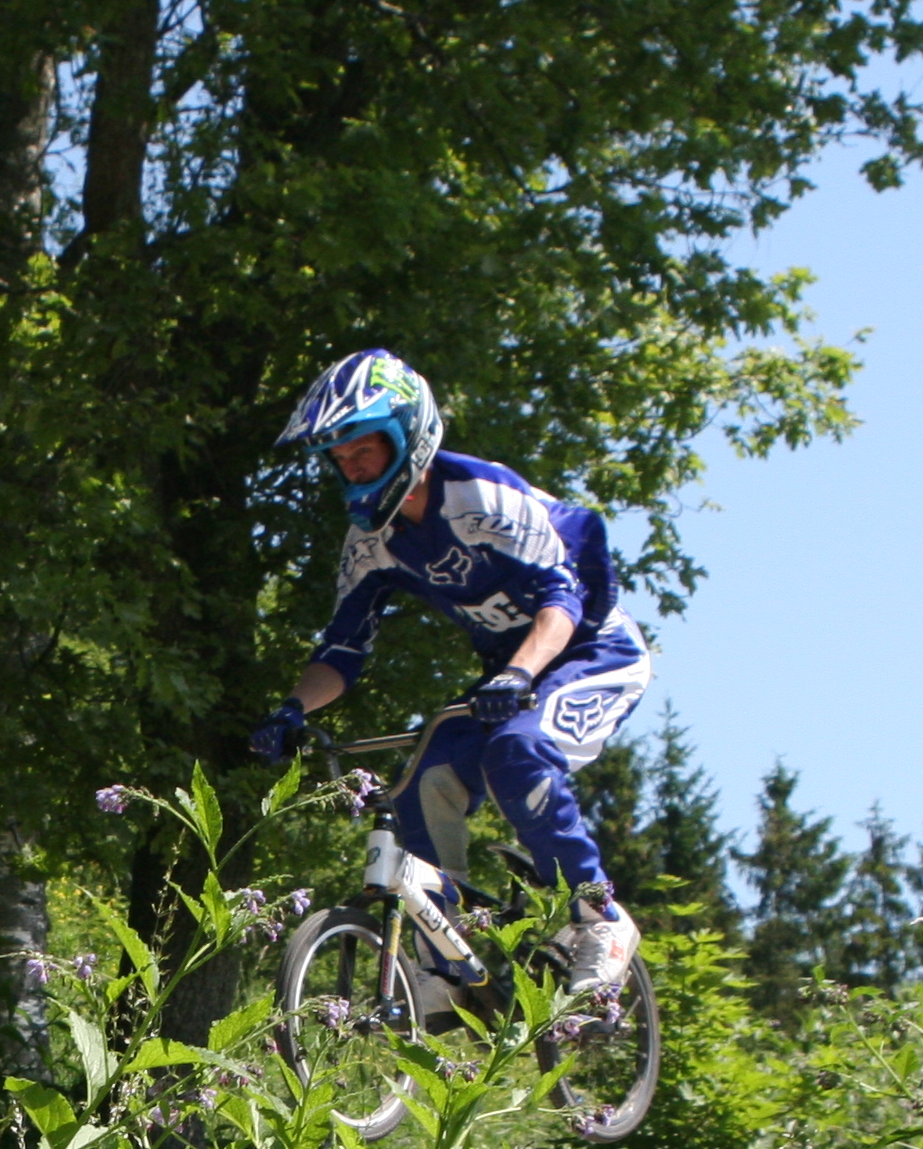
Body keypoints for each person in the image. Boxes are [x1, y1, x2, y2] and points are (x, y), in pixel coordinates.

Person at [249, 349, 649, 995]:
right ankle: (446, 966)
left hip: (591, 653)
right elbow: (342, 650)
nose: (352, 470)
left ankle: (600, 915)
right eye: (341, 459)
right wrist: (293, 709)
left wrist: (518, 675)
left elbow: (563, 602)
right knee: (420, 784)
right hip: (509, 676)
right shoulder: (371, 543)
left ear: (408, 435)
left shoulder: (484, 498)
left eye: (363, 452)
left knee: (516, 752)